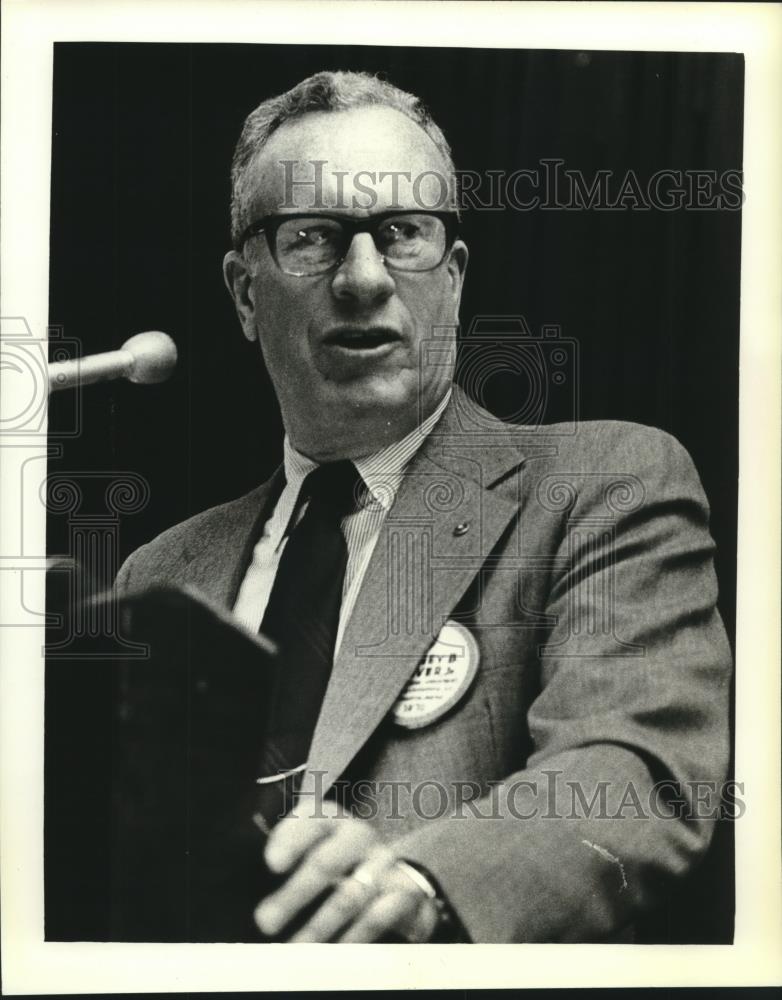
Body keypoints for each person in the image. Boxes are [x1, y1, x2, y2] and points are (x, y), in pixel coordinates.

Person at [115, 70, 732, 943]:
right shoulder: (162, 572)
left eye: (404, 232)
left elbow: (636, 770)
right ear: (246, 293)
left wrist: (421, 881)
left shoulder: (605, 484)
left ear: (453, 272)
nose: (364, 278)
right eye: (314, 236)